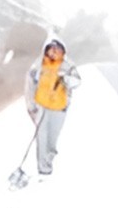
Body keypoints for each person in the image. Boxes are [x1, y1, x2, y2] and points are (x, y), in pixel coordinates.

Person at [24, 38, 81, 177]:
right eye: (51, 49)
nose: (54, 52)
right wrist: (31, 107)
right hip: (41, 107)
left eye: (57, 49)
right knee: (41, 138)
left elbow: (77, 81)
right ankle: (43, 170)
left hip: (59, 109)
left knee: (52, 140)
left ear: (63, 51)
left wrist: (65, 78)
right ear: (46, 49)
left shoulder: (67, 66)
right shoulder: (38, 66)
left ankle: (49, 159)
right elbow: (29, 86)